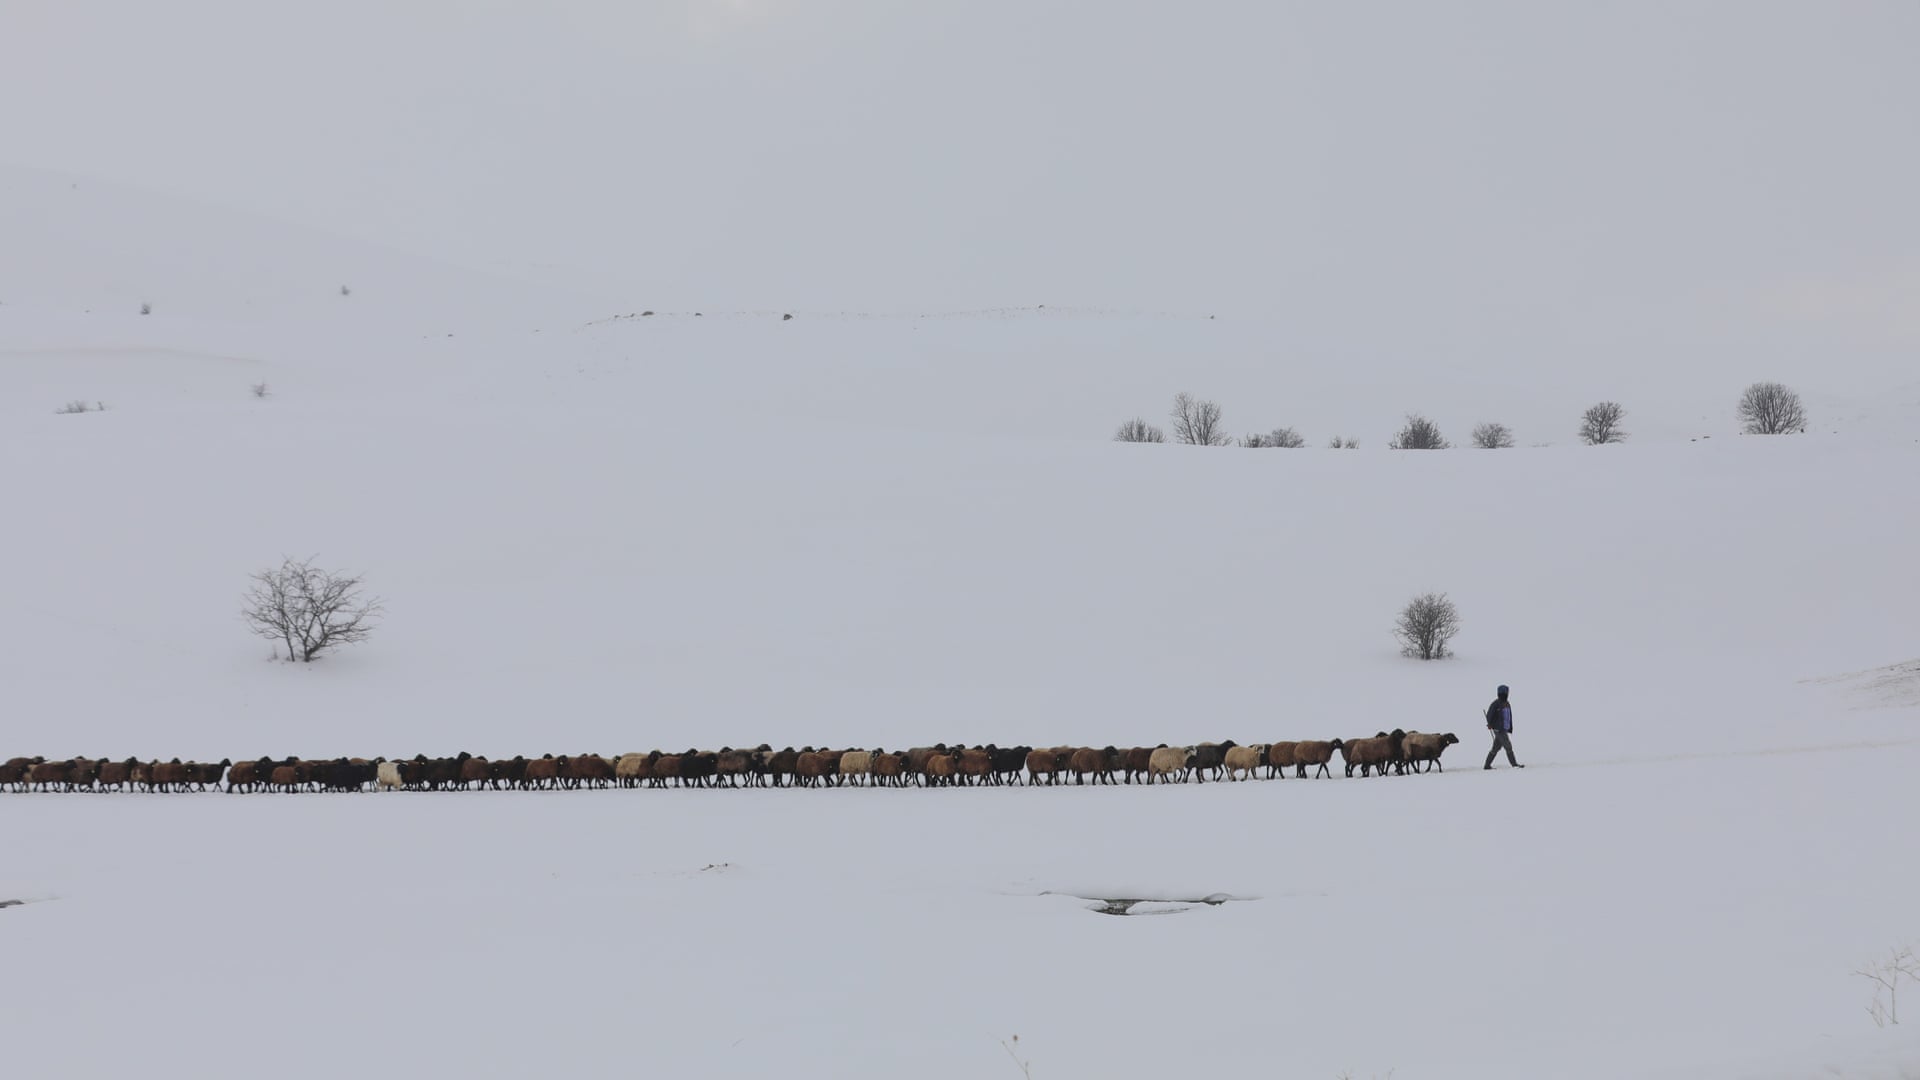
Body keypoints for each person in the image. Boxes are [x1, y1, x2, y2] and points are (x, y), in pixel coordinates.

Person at [1484, 684, 1523, 769]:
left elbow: (1508, 716)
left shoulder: (1507, 703)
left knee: (1496, 748)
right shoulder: (1495, 704)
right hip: (1499, 729)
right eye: (1505, 693)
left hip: (1504, 729)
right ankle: (1514, 764)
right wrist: (1490, 724)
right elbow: (1489, 715)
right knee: (1508, 746)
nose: (1506, 695)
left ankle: (1487, 765)